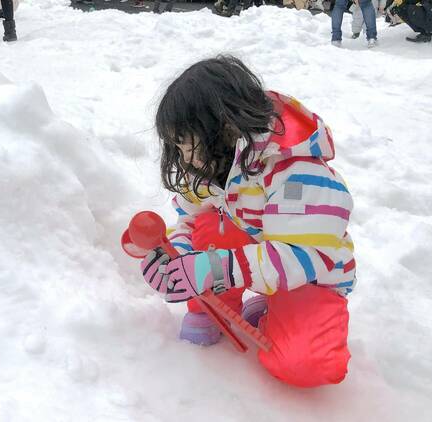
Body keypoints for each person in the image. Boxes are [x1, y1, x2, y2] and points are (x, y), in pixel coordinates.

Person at [140, 56, 355, 388]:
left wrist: (212, 268)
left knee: (304, 364)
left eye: (187, 145)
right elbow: (190, 220)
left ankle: (280, 315)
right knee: (212, 223)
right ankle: (215, 308)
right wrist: (175, 255)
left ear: (224, 127)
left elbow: (301, 255)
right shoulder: (214, 167)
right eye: (177, 148)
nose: (184, 159)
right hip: (253, 262)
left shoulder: (297, 172)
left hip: (308, 278)